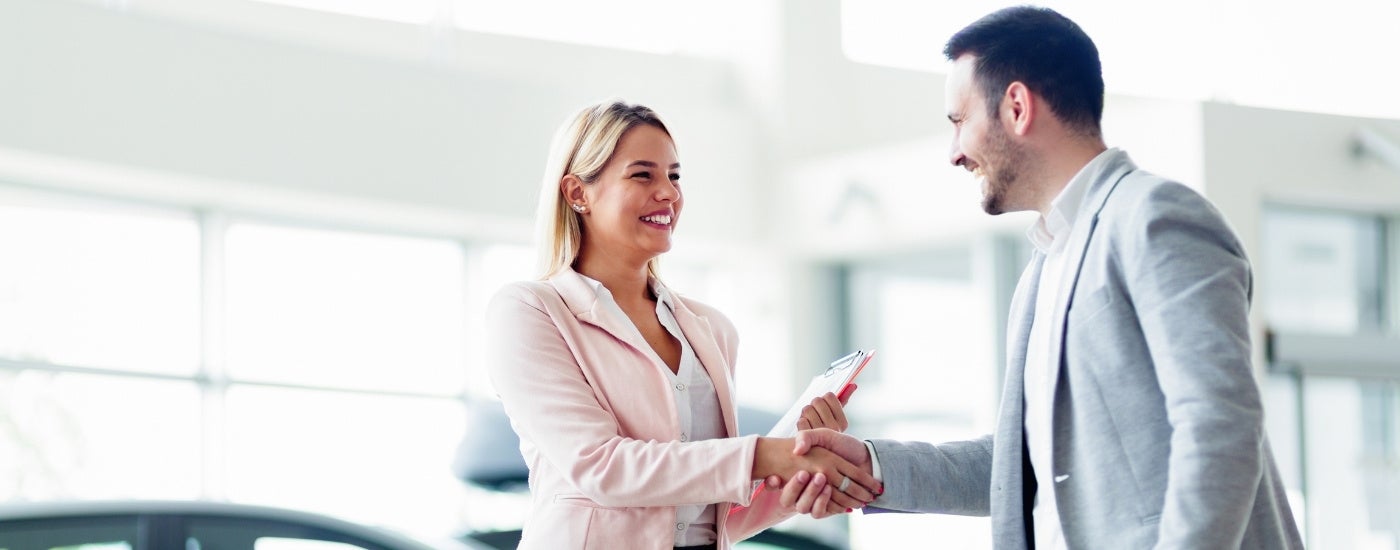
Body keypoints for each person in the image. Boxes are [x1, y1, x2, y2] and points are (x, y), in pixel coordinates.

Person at [779, 6, 1303, 549]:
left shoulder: (1157, 218)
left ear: (1017, 106)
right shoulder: (1043, 270)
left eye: (959, 121)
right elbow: (1021, 463)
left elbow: (1220, 427)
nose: (954, 152)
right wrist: (871, 465)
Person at [485, 100, 880, 550]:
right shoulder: (530, 312)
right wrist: (761, 456)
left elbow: (713, 514)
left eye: (674, 176)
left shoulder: (712, 329)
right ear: (578, 193)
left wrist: (796, 478)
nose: (669, 193)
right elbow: (601, 468)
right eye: (643, 175)